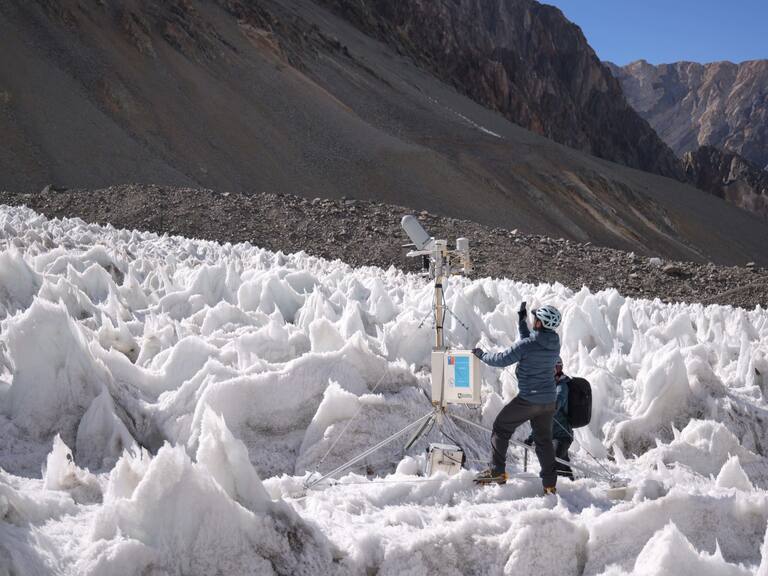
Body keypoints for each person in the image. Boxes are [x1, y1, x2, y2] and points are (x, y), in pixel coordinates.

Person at [472, 302, 562, 494]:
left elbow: (501, 359)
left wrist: (481, 355)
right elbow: (531, 343)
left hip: (529, 400)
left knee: (501, 427)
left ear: (539, 323)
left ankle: (497, 471)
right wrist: (521, 322)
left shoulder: (528, 345)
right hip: (548, 401)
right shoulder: (554, 343)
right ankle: (549, 485)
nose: (533, 320)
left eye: (535, 319)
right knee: (544, 441)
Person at [525, 357, 574, 480]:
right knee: (563, 466)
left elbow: (558, 401)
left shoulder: (562, 386)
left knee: (554, 462)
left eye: (555, 368)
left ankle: (558, 492)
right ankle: (574, 490)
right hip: (552, 437)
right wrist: (531, 438)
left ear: (559, 368)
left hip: (563, 437)